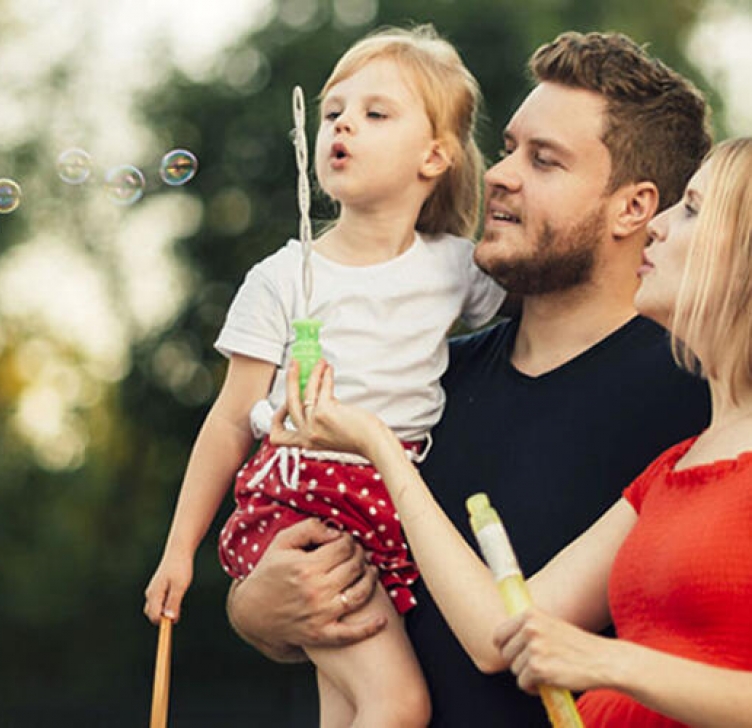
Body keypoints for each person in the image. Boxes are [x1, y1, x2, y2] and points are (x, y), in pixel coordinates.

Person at [226, 31, 713, 727]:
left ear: (633, 208)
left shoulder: (694, 395)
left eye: (544, 160)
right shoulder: (427, 386)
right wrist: (257, 609)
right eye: (510, 147)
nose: (499, 174)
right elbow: (326, 575)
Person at [143, 25, 505, 727]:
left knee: (347, 710)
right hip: (307, 503)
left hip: (392, 507)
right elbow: (228, 419)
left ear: (436, 155)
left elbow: (540, 306)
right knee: (397, 703)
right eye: (335, 109)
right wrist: (178, 551)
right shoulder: (281, 279)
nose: (342, 122)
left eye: (376, 113)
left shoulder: (456, 267)